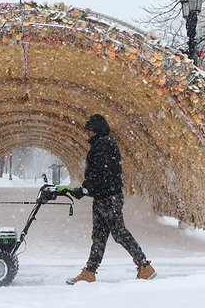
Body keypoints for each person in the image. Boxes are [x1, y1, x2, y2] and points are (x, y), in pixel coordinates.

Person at [60, 114, 156, 284]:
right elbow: (99, 172)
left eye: (89, 130)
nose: (87, 134)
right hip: (102, 196)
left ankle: (144, 265)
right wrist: (87, 188)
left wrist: (85, 189)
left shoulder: (103, 144)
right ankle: (90, 271)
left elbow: (101, 172)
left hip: (108, 197)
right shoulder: (102, 143)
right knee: (99, 235)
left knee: (119, 233)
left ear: (95, 130)